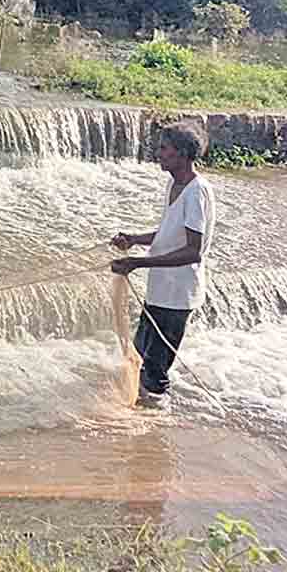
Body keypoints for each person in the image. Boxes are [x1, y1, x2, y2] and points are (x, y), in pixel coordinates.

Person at [110, 121, 216, 408]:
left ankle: (154, 432)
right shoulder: (174, 184)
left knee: (155, 373)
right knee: (139, 354)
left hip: (177, 296)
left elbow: (193, 251)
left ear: (182, 154)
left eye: (164, 148)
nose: (159, 153)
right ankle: (142, 416)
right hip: (160, 291)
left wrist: (138, 263)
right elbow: (170, 232)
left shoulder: (196, 192)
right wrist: (134, 239)